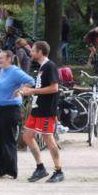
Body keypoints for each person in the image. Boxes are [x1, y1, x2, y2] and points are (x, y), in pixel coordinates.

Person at [19, 41, 65, 183]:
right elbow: (41, 86)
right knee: (27, 136)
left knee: (48, 138)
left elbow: (54, 88)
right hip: (37, 108)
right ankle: (40, 168)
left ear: (40, 52)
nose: (30, 53)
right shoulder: (42, 68)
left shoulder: (50, 66)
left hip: (46, 110)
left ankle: (59, 171)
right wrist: (28, 90)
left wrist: (32, 91)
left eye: (33, 50)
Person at [0, 49, 35, 178]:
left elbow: (31, 81)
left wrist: (19, 90)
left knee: (8, 139)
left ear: (9, 59)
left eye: (1, 58)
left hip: (10, 108)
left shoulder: (15, 71)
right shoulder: (3, 71)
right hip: (0, 108)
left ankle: (11, 170)